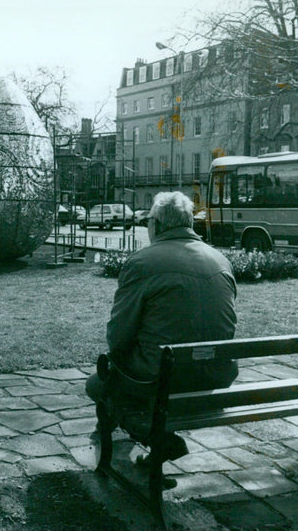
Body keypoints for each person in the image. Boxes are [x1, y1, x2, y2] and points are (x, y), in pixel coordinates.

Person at [86, 191, 238, 467]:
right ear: (190, 223)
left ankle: (155, 436)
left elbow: (118, 338)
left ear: (154, 224)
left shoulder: (143, 262)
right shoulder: (220, 260)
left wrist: (122, 358)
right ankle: (158, 437)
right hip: (216, 377)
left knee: (97, 384)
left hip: (162, 380)